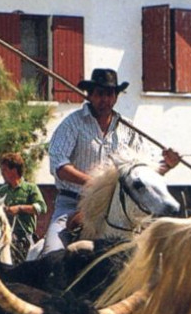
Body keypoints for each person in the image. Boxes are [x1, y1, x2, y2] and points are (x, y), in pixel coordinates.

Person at [44, 68, 181, 253]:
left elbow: (143, 172)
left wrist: (167, 165)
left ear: (116, 97)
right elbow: (59, 165)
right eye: (100, 94)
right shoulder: (72, 123)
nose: (105, 100)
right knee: (52, 252)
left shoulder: (129, 129)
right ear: (89, 95)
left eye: (110, 94)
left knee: (152, 256)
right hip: (72, 204)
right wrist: (96, 185)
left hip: (116, 208)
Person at [0, 151, 44, 263]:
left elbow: (41, 208)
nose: (2, 173)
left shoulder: (30, 188)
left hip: (24, 237)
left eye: (4, 170)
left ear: (14, 170)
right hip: (5, 235)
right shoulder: (2, 191)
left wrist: (20, 208)